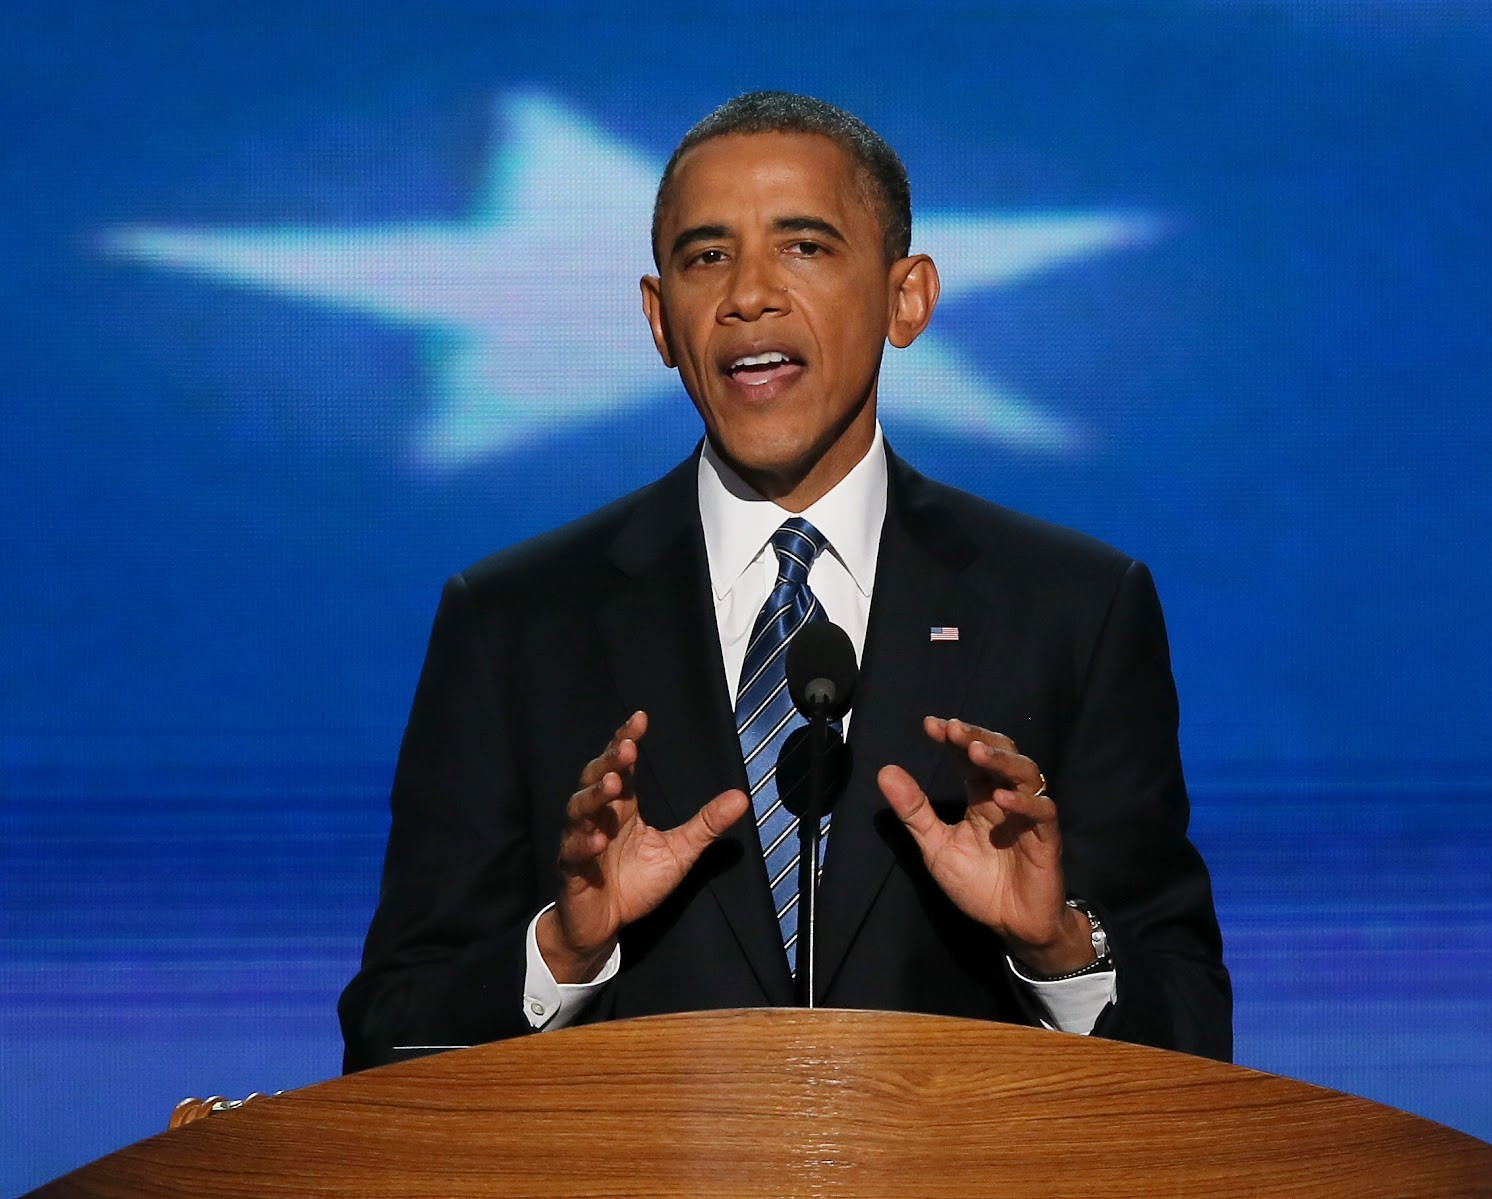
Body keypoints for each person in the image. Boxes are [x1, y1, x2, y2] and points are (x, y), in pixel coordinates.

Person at [338, 92, 1230, 1073]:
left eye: (803, 246)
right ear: (659, 319)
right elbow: (390, 1034)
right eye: (705, 256)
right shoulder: (511, 623)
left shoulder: (1073, 609)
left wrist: (1056, 949)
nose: (747, 295)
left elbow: (1191, 1031)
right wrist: (564, 949)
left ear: (908, 298)